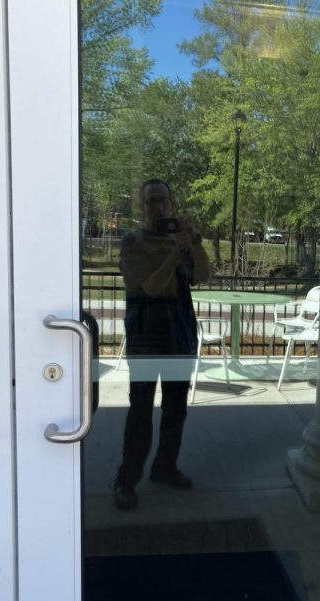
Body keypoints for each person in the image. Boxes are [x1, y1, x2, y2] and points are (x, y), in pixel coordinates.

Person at [113, 178, 211, 510]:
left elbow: (204, 276)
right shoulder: (132, 242)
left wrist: (194, 241)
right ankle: (126, 480)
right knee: (140, 411)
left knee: (176, 409)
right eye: (152, 200)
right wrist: (174, 253)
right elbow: (150, 287)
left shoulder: (181, 241)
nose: (158, 206)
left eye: (163, 200)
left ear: (172, 204)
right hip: (146, 337)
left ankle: (165, 467)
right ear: (141, 206)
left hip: (180, 335)